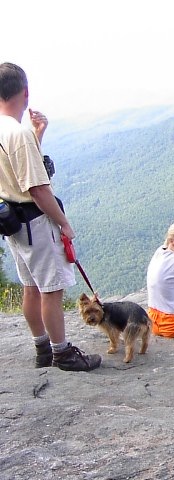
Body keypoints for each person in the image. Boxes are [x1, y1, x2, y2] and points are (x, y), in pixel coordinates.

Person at [0, 62, 101, 371]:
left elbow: (14, 174)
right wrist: (64, 223)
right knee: (52, 291)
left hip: (14, 225)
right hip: (36, 223)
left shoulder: (7, 130)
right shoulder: (18, 133)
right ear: (26, 92)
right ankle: (62, 353)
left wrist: (37, 138)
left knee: (31, 287)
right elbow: (38, 189)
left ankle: (43, 348)